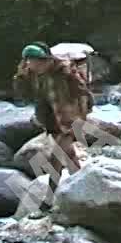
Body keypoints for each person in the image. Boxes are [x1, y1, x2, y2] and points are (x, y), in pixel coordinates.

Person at [12, 42, 93, 205]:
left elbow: (84, 93)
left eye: (35, 61)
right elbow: (22, 92)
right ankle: (83, 190)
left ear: (46, 60)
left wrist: (82, 115)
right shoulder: (31, 73)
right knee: (69, 157)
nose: (31, 65)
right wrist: (20, 77)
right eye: (28, 61)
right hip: (51, 121)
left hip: (69, 119)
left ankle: (49, 200)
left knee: (55, 158)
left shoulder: (64, 71)